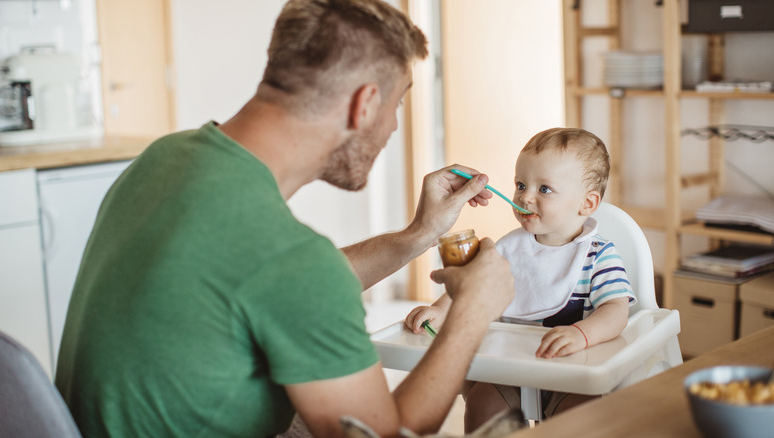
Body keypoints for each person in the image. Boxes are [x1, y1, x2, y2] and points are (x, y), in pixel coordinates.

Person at [54, 1, 515, 437]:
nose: (394, 126)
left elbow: (275, 287)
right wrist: (472, 312)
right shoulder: (291, 262)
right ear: (365, 104)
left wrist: (419, 236)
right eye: (396, 105)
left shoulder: (165, 158)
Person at [404, 127, 637, 431]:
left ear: (587, 204)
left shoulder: (597, 255)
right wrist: (439, 309)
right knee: (482, 403)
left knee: (582, 415)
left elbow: (616, 309)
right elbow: (472, 286)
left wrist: (582, 334)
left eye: (544, 189)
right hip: (508, 369)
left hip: (571, 371)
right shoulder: (509, 248)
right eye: (521, 184)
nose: (525, 197)